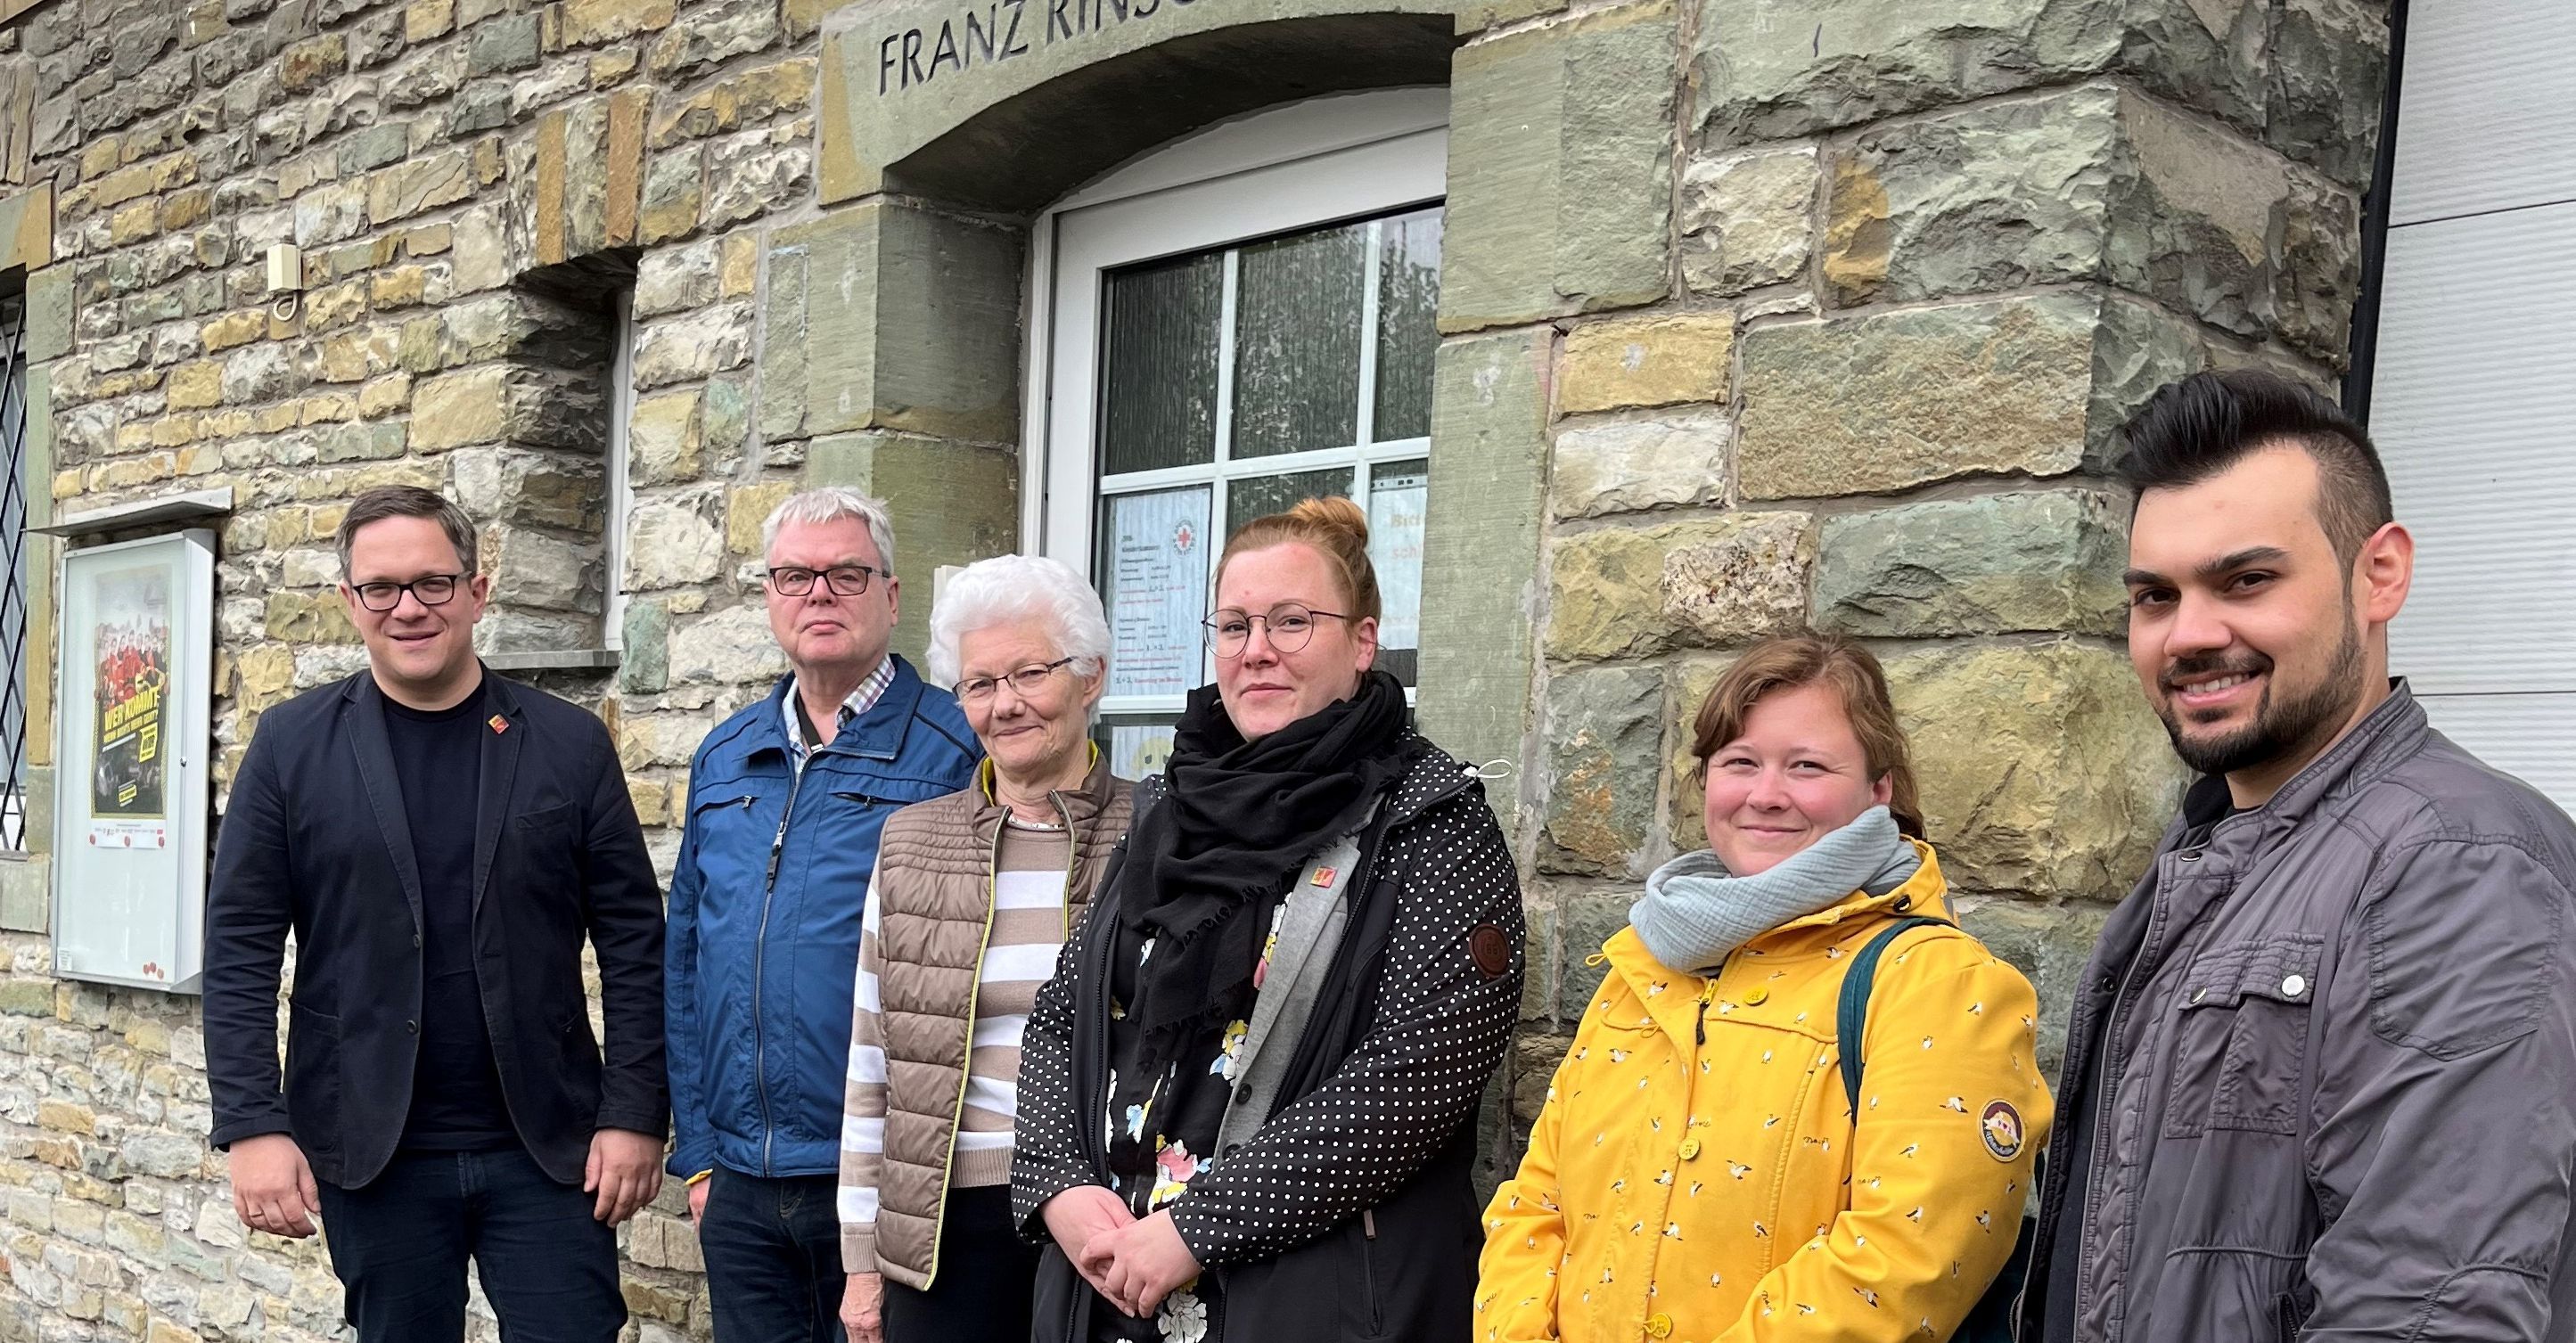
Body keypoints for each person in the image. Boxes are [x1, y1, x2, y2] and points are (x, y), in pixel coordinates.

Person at [2019, 369, 2576, 1343]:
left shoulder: (2456, 865)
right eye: (2155, 595)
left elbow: (2427, 1311)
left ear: (2380, 573)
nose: (2189, 634)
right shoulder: (2219, 853)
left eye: (2246, 580)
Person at [1012, 496, 1525, 1343]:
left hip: (1310, 1299)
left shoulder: (1432, 821)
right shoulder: (1170, 807)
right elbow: (1064, 1017)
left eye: (1292, 622)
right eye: (1235, 625)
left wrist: (1193, 1230)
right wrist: (1058, 1186)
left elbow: (1415, 1081)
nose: (1257, 651)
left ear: (1364, 642)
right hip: (1110, 1285)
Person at [1478, 635, 2050, 1343]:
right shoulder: (1646, 967)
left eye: (1806, 766)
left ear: (1879, 789)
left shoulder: (1939, 984)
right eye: (1740, 762)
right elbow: (1535, 1203)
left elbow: (1901, 1262)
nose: (1766, 794)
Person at [204, 486, 667, 1343]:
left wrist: (635, 1110)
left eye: (433, 583)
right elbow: (238, 949)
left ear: (477, 591)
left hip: (549, 1149)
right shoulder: (291, 746)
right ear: (350, 602)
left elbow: (637, 942)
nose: (408, 607)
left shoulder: (569, 744)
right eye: (381, 587)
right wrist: (252, 1125)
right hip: (372, 1151)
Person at [667, 487, 981, 1343]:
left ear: (891, 593)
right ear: (769, 594)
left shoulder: (958, 751)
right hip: (740, 1182)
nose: (819, 593)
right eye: (795, 575)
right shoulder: (727, 756)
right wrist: (697, 1155)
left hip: (890, 1182)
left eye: (846, 572)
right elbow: (685, 956)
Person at [837, 555, 1136, 1343]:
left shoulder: (1156, 836)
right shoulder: (910, 842)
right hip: (943, 1230)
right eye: (979, 683)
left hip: (1105, 1216)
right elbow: (873, 1065)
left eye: (1030, 672)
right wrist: (863, 1264)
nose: (1005, 704)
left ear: (1090, 676)